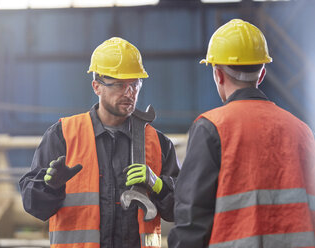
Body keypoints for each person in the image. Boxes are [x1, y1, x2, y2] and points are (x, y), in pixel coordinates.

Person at [19, 37, 179, 248]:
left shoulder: (158, 143)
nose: (129, 93)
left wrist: (158, 185)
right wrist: (50, 187)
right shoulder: (63, 135)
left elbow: (182, 209)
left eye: (135, 84)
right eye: (120, 85)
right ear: (97, 87)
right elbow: (33, 206)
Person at [168, 19, 315, 248]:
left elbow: (192, 223)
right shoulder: (302, 131)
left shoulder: (211, 127)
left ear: (218, 75)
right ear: (262, 73)